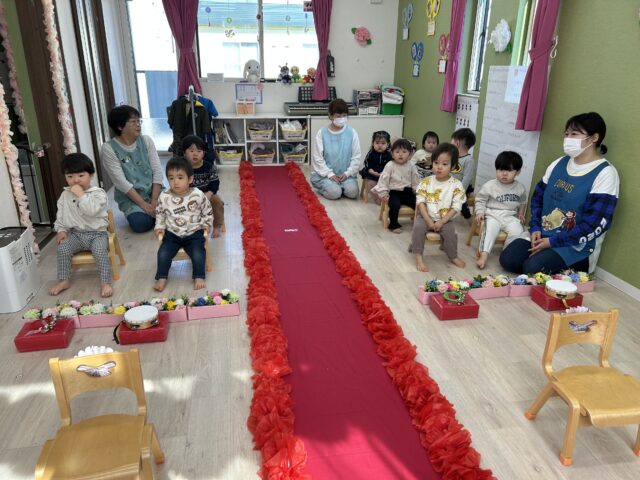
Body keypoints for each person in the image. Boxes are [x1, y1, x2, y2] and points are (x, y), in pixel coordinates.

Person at [500, 112, 619, 275]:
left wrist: (551, 242)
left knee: (532, 268)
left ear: (594, 138)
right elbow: (537, 199)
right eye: (566, 134)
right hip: (543, 232)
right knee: (509, 260)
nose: (568, 138)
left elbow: (594, 223)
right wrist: (535, 227)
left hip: (575, 244)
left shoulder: (606, 173)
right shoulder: (559, 163)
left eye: (574, 134)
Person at [49, 153, 112, 298]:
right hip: (76, 234)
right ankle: (64, 280)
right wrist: (61, 230)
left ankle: (105, 282)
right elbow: (61, 216)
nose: (75, 180)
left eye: (81, 175)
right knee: (63, 248)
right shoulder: (65, 195)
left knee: (99, 251)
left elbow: (91, 210)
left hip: (98, 234)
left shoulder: (98, 194)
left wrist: (81, 195)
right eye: (70, 176)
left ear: (91, 175)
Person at [101, 105, 163, 233]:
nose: (138, 124)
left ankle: (158, 215)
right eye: (133, 121)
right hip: (131, 198)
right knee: (140, 224)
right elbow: (120, 182)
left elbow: (157, 171)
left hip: (153, 191)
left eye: (139, 121)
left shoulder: (146, 140)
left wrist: (154, 200)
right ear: (120, 126)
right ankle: (158, 217)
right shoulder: (108, 148)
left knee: (178, 209)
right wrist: (144, 205)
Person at [154, 157, 213, 292]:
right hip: (172, 233)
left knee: (198, 252)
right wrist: (160, 227)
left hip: (194, 232)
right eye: (171, 178)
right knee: (163, 253)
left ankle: (199, 276)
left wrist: (206, 224)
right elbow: (160, 213)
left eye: (180, 178)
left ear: (190, 179)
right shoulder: (164, 196)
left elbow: (207, 210)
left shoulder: (197, 195)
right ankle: (161, 277)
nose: (175, 182)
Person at [410, 143, 466, 272]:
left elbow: (456, 207)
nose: (439, 167)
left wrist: (442, 221)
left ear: (453, 166)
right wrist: (427, 219)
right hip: (425, 216)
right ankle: (418, 256)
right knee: (418, 228)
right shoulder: (426, 182)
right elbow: (420, 202)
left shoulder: (456, 185)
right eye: (436, 163)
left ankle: (453, 256)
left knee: (450, 233)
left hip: (445, 219)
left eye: (444, 164)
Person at [474, 151, 527, 269]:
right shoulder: (490, 185)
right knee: (489, 231)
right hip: (493, 214)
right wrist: (480, 212)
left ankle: (508, 253)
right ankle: (484, 255)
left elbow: (523, 201)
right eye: (500, 170)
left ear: (518, 172)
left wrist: (521, 213)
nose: (504, 174)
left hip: (510, 216)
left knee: (518, 231)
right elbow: (480, 200)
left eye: (509, 171)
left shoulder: (520, 187)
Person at [311, 99, 361, 200]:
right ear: (330, 116)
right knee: (335, 193)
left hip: (345, 175)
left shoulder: (351, 132)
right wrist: (329, 174)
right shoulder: (322, 133)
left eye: (344, 115)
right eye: (338, 116)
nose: (342, 118)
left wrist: (347, 173)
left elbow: (356, 156)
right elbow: (317, 158)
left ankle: (340, 187)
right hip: (326, 175)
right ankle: (330, 187)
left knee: (353, 193)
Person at [371, 138, 420, 233]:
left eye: (404, 152)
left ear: (410, 154)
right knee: (394, 205)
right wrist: (384, 193)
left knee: (419, 204)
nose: (400, 154)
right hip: (394, 192)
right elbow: (384, 180)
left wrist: (417, 191)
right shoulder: (390, 165)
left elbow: (415, 180)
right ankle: (393, 224)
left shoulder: (411, 166)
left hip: (408, 192)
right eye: (397, 152)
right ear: (392, 154)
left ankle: (420, 223)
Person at [182, 135, 225, 237]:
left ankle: (216, 226)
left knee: (217, 202)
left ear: (203, 153)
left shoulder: (209, 167)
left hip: (207, 195)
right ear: (184, 153)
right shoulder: (182, 167)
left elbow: (215, 182)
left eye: (199, 151)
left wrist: (209, 193)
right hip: (188, 196)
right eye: (191, 151)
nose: (195, 154)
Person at [450, 128, 476, 221]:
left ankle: (467, 215)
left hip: (463, 187)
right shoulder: (452, 156)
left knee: (460, 199)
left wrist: (458, 192)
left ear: (457, 143)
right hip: (450, 185)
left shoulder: (469, 160)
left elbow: (466, 180)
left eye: (451, 141)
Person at [359, 130, 392, 204]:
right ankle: (376, 198)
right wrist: (372, 172)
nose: (380, 145)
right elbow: (367, 164)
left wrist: (384, 173)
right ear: (373, 143)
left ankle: (385, 196)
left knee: (391, 182)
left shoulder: (388, 154)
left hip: (384, 174)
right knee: (371, 184)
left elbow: (390, 165)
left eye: (383, 143)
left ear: (388, 144)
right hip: (371, 173)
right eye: (377, 143)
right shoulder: (371, 153)